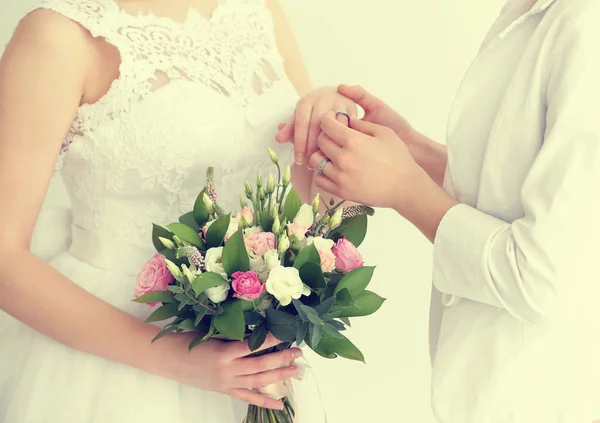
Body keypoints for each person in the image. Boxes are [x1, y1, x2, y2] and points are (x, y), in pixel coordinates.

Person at [0, 0, 352, 421]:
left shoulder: (261, 13)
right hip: (112, 360)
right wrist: (181, 359)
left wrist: (336, 130)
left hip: (252, 343)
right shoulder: (59, 33)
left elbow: (313, 209)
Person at [277, 0, 600, 422]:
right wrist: (415, 151)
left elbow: (543, 276)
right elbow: (528, 186)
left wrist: (406, 189)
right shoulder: (531, 11)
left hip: (539, 393)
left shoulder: (584, 26)